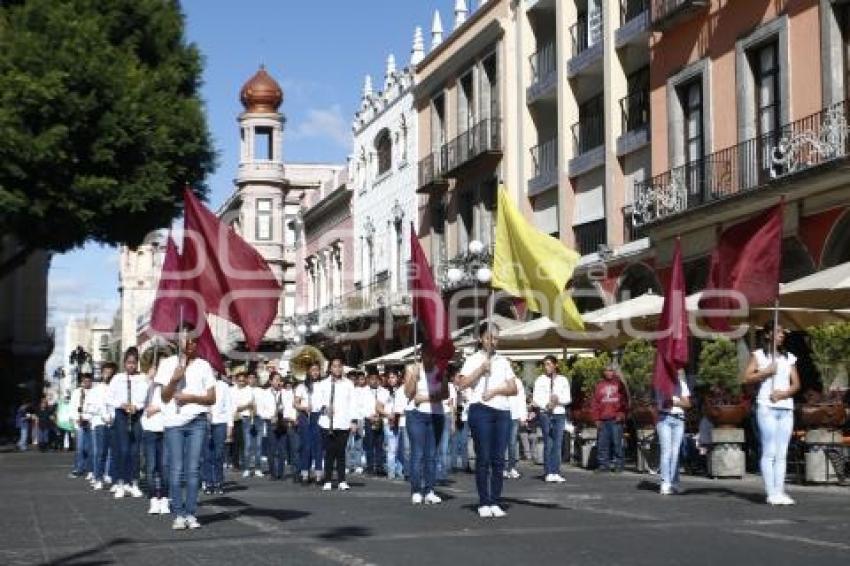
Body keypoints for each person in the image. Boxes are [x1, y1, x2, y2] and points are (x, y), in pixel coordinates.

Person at [157, 324, 216, 530]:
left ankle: (190, 512)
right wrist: (174, 380)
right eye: (185, 339)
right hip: (174, 422)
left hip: (197, 421)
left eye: (193, 339)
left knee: (193, 469)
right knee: (176, 468)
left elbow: (212, 398)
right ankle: (178, 513)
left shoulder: (203, 365)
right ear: (178, 341)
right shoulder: (167, 364)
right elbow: (164, 398)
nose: (189, 343)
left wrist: (191, 397)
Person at [457, 322, 518, 518]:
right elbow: (461, 384)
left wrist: (495, 390)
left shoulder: (503, 361)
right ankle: (483, 501)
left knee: (499, 459)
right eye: (490, 337)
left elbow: (513, 389)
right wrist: (481, 370)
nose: (494, 341)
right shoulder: (473, 359)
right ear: (482, 339)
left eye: (497, 338)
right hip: (481, 410)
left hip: (502, 411)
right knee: (483, 457)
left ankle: (495, 500)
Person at [744, 321, 800, 505]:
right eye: (777, 331)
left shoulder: (789, 357)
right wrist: (766, 372)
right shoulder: (758, 355)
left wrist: (784, 393)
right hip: (766, 406)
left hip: (785, 407)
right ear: (767, 335)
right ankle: (771, 492)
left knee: (782, 452)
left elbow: (796, 384)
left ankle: (780, 490)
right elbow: (746, 378)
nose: (781, 335)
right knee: (769, 450)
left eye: (782, 332)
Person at [405, 343, 450, 505]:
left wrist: (424, 398)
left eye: (432, 353)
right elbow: (408, 393)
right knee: (418, 454)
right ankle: (416, 490)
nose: (430, 357)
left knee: (432, 455)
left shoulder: (440, 370)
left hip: (436, 414)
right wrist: (413, 378)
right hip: (416, 415)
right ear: (421, 354)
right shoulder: (412, 369)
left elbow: (445, 393)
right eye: (426, 353)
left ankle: (429, 489)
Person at [109, 347, 148, 498]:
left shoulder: (142, 378)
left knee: (135, 451)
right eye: (128, 362)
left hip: (136, 414)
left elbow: (145, 397)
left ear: (137, 363)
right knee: (123, 450)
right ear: (124, 363)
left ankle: (134, 482)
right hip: (121, 414)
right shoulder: (117, 378)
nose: (131, 365)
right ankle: (120, 482)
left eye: (134, 363)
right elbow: (110, 397)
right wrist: (122, 404)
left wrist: (136, 406)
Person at [315, 355, 355, 491]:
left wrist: (353, 421)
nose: (337, 368)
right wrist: (325, 408)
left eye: (339, 366)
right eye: (334, 366)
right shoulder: (323, 384)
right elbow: (316, 403)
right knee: (329, 452)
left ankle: (342, 480)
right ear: (330, 368)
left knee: (341, 452)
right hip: (327, 423)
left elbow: (352, 404)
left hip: (343, 422)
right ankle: (327, 480)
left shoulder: (349, 384)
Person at [533, 355, 571, 483]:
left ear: (556, 365)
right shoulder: (540, 380)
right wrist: (546, 405)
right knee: (548, 442)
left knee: (558, 443)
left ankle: (556, 471)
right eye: (545, 364)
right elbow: (536, 398)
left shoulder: (563, 380)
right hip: (546, 413)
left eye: (549, 364)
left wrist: (557, 401)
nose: (546, 367)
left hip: (559, 413)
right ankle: (548, 471)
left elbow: (568, 398)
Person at [140, 350, 169, 514]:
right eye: (159, 366)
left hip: (165, 429)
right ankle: (153, 499)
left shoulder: (170, 386)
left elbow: (174, 405)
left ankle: (164, 498)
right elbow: (138, 402)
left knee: (164, 466)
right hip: (150, 429)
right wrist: (147, 378)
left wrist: (158, 408)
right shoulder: (148, 385)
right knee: (150, 467)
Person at [655, 368, 692, 495]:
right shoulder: (661, 384)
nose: (677, 373)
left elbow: (688, 404)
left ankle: (674, 482)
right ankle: (665, 483)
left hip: (679, 419)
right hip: (664, 418)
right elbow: (665, 403)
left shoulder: (682, 384)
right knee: (666, 452)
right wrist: (678, 401)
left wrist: (676, 401)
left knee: (676, 452)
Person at [592, 361, 629, 473]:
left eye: (610, 370)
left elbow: (625, 401)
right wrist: (596, 418)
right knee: (602, 444)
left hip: (615, 419)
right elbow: (595, 403)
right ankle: (603, 465)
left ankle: (619, 464)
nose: (608, 372)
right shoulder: (599, 385)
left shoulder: (620, 385)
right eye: (606, 370)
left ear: (614, 372)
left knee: (617, 443)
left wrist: (621, 414)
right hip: (603, 419)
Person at [204, 369, 234, 495]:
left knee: (218, 454)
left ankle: (219, 481)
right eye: (211, 370)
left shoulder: (224, 386)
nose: (213, 372)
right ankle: (208, 482)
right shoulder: (202, 384)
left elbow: (229, 407)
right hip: (205, 423)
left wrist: (230, 426)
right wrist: (206, 411)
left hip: (220, 423)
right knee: (207, 455)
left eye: (216, 370)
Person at [295, 362, 325, 483]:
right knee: (306, 445)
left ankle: (318, 473)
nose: (315, 372)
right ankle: (305, 473)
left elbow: (326, 401)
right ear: (308, 372)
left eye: (317, 370)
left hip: (318, 416)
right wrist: (303, 408)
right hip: (305, 416)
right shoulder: (301, 386)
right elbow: (295, 403)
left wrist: (324, 408)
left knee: (318, 445)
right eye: (313, 370)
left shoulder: (323, 385)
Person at [268, 372, 298, 480]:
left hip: (283, 422)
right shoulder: (265, 393)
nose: (278, 382)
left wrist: (289, 418)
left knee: (282, 449)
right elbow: (261, 409)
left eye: (279, 380)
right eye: (276, 379)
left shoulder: (286, 393)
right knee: (272, 449)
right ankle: (273, 473)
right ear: (270, 381)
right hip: (271, 422)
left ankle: (280, 473)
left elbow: (290, 407)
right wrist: (270, 416)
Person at [92, 362, 117, 489]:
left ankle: (111, 476)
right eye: (106, 372)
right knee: (101, 452)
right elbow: (94, 406)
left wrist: (112, 417)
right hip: (100, 422)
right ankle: (98, 477)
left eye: (110, 372)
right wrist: (103, 415)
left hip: (113, 422)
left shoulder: (116, 388)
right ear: (102, 373)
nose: (108, 375)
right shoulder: (97, 389)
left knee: (113, 452)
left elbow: (116, 404)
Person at [234, 371, 261, 478]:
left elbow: (264, 405)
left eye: (253, 378)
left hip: (258, 418)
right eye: (249, 378)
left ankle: (258, 468)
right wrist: (248, 406)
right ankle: (247, 468)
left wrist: (257, 409)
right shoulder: (243, 391)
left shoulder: (260, 391)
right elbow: (238, 407)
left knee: (258, 446)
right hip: (246, 418)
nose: (251, 380)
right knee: (248, 445)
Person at [363, 367, 388, 475]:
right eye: (371, 378)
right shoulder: (363, 392)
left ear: (379, 379)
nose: (374, 381)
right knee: (369, 444)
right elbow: (361, 407)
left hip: (381, 419)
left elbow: (387, 405)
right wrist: (369, 416)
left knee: (380, 444)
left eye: (376, 378)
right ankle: (369, 466)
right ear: (368, 379)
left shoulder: (384, 391)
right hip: (369, 420)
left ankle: (379, 466)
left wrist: (381, 415)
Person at [68, 374, 94, 479]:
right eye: (85, 381)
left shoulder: (94, 392)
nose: (87, 383)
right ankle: (79, 468)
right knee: (80, 447)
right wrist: (75, 418)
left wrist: (89, 418)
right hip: (79, 423)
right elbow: (73, 406)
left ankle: (89, 469)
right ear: (81, 382)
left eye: (88, 381)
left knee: (89, 448)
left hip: (89, 422)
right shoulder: (76, 392)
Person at [436, 365, 458, 484]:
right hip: (435, 416)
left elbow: (453, 406)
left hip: (446, 416)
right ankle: (435, 473)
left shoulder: (450, 387)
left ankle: (442, 475)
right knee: (435, 448)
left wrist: (453, 423)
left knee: (444, 448)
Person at [381, 370, 404, 480]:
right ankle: (391, 471)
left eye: (393, 377)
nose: (391, 379)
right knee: (391, 449)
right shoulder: (384, 392)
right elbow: (378, 407)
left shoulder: (404, 390)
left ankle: (401, 470)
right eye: (389, 377)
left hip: (402, 423)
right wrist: (388, 414)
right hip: (388, 423)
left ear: (398, 378)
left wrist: (399, 413)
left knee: (402, 449)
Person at [505, 374, 527, 480]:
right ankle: (502, 468)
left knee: (512, 443)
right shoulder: (498, 380)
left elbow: (521, 399)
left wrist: (523, 416)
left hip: (514, 416)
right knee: (501, 443)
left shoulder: (517, 382)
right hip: (501, 415)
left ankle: (511, 467)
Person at [346, 371, 367, 474]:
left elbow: (363, 405)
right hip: (347, 419)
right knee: (348, 444)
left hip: (360, 418)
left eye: (354, 379)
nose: (353, 381)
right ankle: (348, 465)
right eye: (351, 379)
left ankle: (358, 464)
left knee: (359, 443)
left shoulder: (360, 390)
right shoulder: (345, 390)